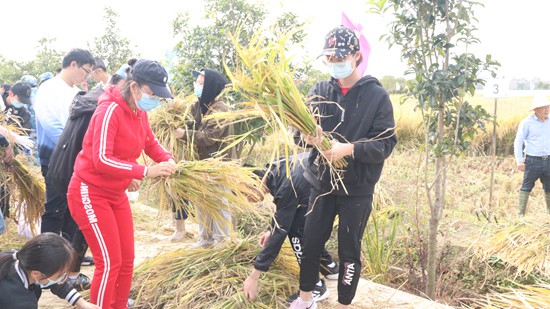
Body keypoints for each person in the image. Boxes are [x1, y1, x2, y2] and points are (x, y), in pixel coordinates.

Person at [289, 26, 397, 309]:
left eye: (340, 58)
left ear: (356, 56)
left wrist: (348, 149)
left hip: (357, 187)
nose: (335, 64)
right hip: (322, 183)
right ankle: (306, 299)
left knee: (349, 250)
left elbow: (385, 144)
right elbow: (297, 134)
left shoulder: (377, 96)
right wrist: (307, 137)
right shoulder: (320, 91)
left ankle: (344, 304)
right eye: (330, 59)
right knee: (311, 241)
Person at [67, 59, 176, 308]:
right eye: (152, 94)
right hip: (89, 191)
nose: (155, 100)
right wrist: (145, 171)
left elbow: (150, 143)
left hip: (115, 193)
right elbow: (101, 159)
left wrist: (167, 158)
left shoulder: (139, 112)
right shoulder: (110, 110)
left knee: (126, 261)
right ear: (135, 87)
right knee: (108, 263)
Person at [243, 152, 339, 304]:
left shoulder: (286, 185)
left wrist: (254, 275)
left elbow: (280, 231)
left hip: (332, 191)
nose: (247, 199)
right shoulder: (274, 169)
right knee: (299, 224)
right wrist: (270, 229)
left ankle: (315, 286)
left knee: (296, 231)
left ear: (255, 182)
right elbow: (285, 210)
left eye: (245, 193)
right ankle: (330, 267)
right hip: (323, 184)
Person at [34, 48, 95, 236]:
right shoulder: (49, 88)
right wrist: (69, 149)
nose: (86, 77)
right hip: (55, 157)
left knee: (73, 208)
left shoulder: (78, 93)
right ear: (73, 64)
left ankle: (69, 254)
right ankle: (47, 259)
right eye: (86, 71)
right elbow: (50, 124)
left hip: (76, 157)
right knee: (55, 207)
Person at [174, 68, 236, 247]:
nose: (197, 86)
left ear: (211, 86)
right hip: (202, 164)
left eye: (201, 84)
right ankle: (206, 238)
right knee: (202, 202)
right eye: (197, 83)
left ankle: (221, 240)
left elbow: (209, 137)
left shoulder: (221, 110)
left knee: (218, 202)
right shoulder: (203, 106)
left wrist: (183, 134)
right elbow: (190, 121)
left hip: (218, 166)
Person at [0, 232, 99, 309]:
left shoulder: (17, 258)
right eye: (60, 275)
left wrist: (82, 303)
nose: (62, 278)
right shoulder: (21, 302)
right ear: (36, 274)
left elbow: (57, 283)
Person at [514, 95, 550, 215]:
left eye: (548, 107)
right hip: (532, 160)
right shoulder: (526, 123)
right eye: (543, 107)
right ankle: (520, 215)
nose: (546, 110)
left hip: (549, 160)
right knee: (527, 186)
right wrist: (519, 160)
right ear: (535, 109)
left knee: (549, 187)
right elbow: (518, 141)